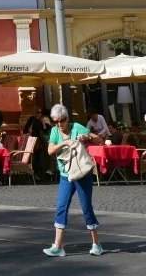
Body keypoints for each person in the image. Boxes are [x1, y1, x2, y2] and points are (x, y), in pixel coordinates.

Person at [44, 104, 103, 257]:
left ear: (67, 118)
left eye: (62, 120)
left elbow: (100, 140)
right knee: (61, 207)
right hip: (66, 176)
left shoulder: (76, 126)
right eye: (55, 121)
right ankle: (58, 246)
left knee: (86, 208)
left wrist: (87, 136)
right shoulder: (55, 132)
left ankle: (96, 244)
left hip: (83, 174)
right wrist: (65, 143)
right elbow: (50, 150)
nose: (59, 124)